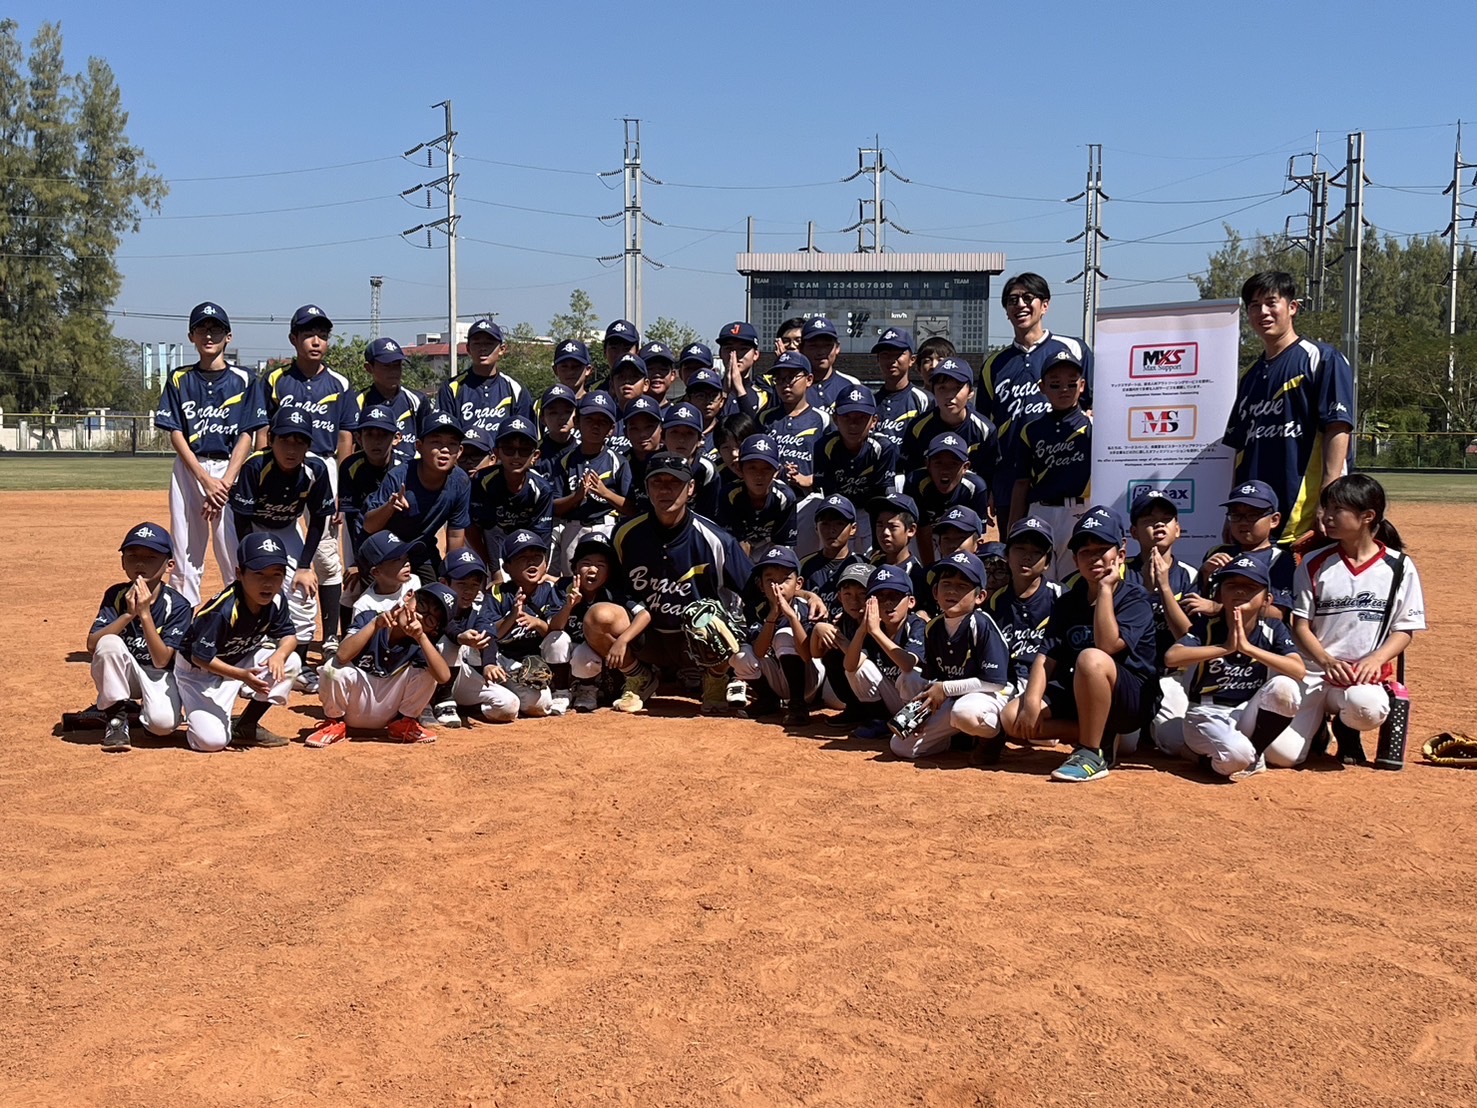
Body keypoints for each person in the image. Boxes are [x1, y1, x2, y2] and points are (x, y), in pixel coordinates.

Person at [1000, 507, 1157, 783]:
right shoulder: (1068, 602)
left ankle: (1091, 752)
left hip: (1130, 700)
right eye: (1085, 552)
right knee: (1013, 717)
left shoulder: (1135, 598)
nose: (1094, 558)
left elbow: (1107, 647)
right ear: (1075, 559)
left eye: (1101, 550)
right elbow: (1045, 656)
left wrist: (1106, 589)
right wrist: (1032, 701)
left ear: (1120, 555)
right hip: (1083, 693)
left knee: (1091, 658)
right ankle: (1099, 735)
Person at [1284, 474, 1425, 766]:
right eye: (1326, 509)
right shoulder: (1313, 562)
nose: (1327, 517)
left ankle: (1347, 729)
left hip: (1361, 677)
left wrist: (1376, 659)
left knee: (1367, 707)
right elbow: (1300, 626)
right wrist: (1325, 661)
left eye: (1337, 509)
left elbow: (1404, 628)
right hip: (1314, 671)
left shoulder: (1399, 566)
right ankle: (1318, 731)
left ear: (1367, 516)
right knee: (1283, 755)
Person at [603, 452, 753, 715]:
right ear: (646, 488)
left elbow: (753, 590)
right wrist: (636, 613)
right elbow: (613, 588)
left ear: (691, 488)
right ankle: (639, 677)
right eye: (657, 482)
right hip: (648, 638)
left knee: (717, 620)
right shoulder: (625, 533)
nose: (665, 490)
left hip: (697, 644)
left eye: (674, 483)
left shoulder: (716, 539)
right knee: (599, 617)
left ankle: (715, 679)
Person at [1226, 271, 1354, 546]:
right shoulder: (1249, 376)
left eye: (1272, 303)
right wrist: (1233, 514)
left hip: (1305, 516)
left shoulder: (1321, 359)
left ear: (1292, 307)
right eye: (1254, 306)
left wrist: (1329, 499)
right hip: (1257, 520)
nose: (1263, 312)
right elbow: (1239, 450)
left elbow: (1338, 427)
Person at [153, 301, 267, 605]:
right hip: (191, 471)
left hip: (232, 471)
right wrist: (204, 479)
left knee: (233, 551)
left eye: (216, 328)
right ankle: (181, 622)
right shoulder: (180, 379)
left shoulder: (245, 380)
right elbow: (176, 433)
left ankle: (240, 620)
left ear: (228, 336)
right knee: (186, 551)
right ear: (191, 336)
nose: (208, 334)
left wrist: (225, 482)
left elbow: (249, 432)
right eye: (201, 328)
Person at [261, 304, 357, 654]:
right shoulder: (275, 380)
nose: (316, 341)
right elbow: (263, 430)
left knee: (326, 554)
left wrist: (342, 489)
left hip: (324, 465)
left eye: (322, 335)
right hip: (282, 465)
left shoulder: (340, 384)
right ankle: (278, 629)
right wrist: (262, 467)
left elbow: (346, 437)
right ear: (294, 339)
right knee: (277, 548)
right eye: (308, 335)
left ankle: (329, 635)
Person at [1164, 554, 1306, 780]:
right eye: (1232, 585)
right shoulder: (1209, 626)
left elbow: (1298, 670)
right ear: (1220, 594)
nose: (1240, 591)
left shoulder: (1273, 627)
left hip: (1248, 711)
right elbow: (1172, 657)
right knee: (1235, 757)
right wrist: (1225, 648)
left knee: (1285, 687)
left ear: (1267, 599)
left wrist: (1248, 648)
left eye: (1250, 587)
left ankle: (1255, 754)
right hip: (1206, 713)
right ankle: (1201, 757)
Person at [229, 407, 336, 690]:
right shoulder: (255, 466)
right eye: (285, 440)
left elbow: (318, 521)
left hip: (288, 528)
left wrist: (303, 566)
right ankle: (243, 666)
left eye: (299, 441)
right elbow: (241, 519)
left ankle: (297, 666)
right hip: (250, 528)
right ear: (271, 439)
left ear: (308, 445)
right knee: (248, 591)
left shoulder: (315, 470)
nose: (292, 448)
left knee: (303, 593)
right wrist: (249, 561)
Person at [978, 273, 1095, 520]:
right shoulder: (994, 365)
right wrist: (988, 485)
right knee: (1017, 552)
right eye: (1012, 300)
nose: (1020, 304)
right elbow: (985, 431)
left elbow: (1096, 407)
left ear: (1045, 305)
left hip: (1066, 479)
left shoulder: (1073, 349)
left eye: (1028, 297)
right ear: (1006, 311)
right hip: (1010, 481)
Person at [175, 533, 304, 752]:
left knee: (291, 661)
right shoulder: (224, 610)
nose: (268, 582)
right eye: (258, 573)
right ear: (239, 574)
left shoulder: (277, 598)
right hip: (198, 673)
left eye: (276, 574)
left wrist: (279, 655)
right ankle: (180, 702)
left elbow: (289, 636)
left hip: (238, 662)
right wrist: (241, 676)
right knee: (212, 742)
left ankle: (246, 725)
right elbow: (200, 657)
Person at [891, 552, 1011, 760]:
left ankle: (993, 736)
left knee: (965, 713)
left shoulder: (981, 624)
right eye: (946, 584)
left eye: (962, 586)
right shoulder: (933, 627)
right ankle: (953, 738)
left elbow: (996, 683)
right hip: (954, 695)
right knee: (901, 746)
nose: (952, 591)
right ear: (935, 591)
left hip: (991, 696)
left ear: (980, 596)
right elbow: (934, 677)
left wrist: (945, 688)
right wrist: (923, 713)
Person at [86, 523, 192, 752]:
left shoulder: (178, 605)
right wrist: (128, 614)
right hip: (125, 671)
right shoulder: (115, 595)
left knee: (162, 725)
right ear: (123, 562)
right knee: (108, 644)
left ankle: (135, 710)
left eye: (151, 557)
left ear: (169, 565)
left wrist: (144, 615)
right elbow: (93, 645)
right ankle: (117, 717)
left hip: (159, 675)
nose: (140, 564)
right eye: (132, 556)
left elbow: (162, 660)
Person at [305, 586, 454, 748]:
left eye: (430, 619)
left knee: (428, 672)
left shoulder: (421, 643)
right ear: (408, 596)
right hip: (352, 706)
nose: (419, 616)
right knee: (332, 668)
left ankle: (404, 724)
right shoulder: (370, 617)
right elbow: (342, 655)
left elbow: (443, 677)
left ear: (433, 631)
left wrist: (421, 638)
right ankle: (334, 723)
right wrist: (375, 624)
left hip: (388, 712)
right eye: (422, 606)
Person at [1122, 489, 1198, 756]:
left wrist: (1164, 589)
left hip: (1174, 677)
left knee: (1176, 740)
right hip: (1132, 674)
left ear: (1178, 529)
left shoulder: (1190, 575)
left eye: (1166, 519)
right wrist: (1143, 590)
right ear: (1133, 532)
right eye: (1147, 520)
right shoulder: (1120, 574)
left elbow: (1188, 639)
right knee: (1124, 745)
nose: (1157, 524)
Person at [363, 410, 472, 581]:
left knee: (437, 595)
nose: (444, 450)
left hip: (421, 550)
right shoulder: (399, 477)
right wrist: (389, 507)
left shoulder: (461, 481)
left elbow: (455, 534)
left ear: (459, 451)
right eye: (436, 442)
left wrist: (452, 575)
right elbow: (369, 526)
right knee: (380, 597)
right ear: (419, 446)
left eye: (452, 444)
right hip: (385, 550)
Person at [1009, 350, 1092, 574]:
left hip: (1078, 509)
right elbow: (1021, 483)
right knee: (1039, 580)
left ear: (1082, 385)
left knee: (1073, 580)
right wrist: (1013, 528)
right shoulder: (1032, 430)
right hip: (1040, 511)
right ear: (1042, 387)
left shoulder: (1092, 427)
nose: (1064, 389)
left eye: (1071, 383)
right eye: (1055, 384)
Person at [554, 534, 649, 713]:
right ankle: (565, 688)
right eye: (586, 563)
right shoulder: (562, 588)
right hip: (571, 656)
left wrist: (622, 641)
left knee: (597, 618)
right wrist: (569, 606)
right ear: (574, 568)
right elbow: (554, 628)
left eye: (600, 565)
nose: (593, 569)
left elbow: (644, 615)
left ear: (609, 571)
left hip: (601, 656)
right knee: (559, 642)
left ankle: (635, 675)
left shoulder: (614, 592)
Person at [430, 548, 519, 727]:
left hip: (458, 676)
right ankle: (441, 701)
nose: (469, 591)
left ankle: (464, 706)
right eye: (462, 584)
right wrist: (459, 637)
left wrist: (489, 663)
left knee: (509, 706)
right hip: (426, 680)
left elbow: (488, 632)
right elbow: (448, 625)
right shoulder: (431, 603)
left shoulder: (478, 607)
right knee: (449, 644)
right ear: (444, 583)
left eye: (474, 584)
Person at [732, 545, 821, 725]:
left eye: (785, 580)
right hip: (779, 678)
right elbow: (758, 652)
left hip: (809, 680)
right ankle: (768, 700)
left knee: (784, 636)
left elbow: (806, 654)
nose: (777, 586)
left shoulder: (805, 607)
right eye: (770, 580)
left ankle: (798, 705)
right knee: (740, 655)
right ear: (761, 585)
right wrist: (772, 618)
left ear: (798, 584)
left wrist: (790, 616)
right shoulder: (757, 609)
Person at [842, 564, 929, 741]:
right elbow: (850, 666)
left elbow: (907, 664)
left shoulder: (916, 625)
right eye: (880, 597)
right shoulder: (874, 628)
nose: (888, 602)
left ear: (911, 601)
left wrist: (876, 632)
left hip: (920, 702)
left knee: (911, 675)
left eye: (895, 596)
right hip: (894, 698)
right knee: (860, 668)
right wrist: (862, 630)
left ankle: (914, 725)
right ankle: (879, 721)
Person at [485, 530, 567, 717]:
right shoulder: (497, 593)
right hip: (502, 660)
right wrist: (512, 615)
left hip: (532, 664)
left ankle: (560, 688)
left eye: (537, 557)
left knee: (541, 706)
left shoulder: (549, 590)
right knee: (516, 706)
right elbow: (490, 635)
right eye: (522, 557)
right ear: (507, 567)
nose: (532, 562)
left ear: (546, 564)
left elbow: (554, 630)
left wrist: (538, 623)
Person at [1188, 480, 1295, 621]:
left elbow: (1278, 613)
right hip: (1210, 637)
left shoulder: (1279, 559)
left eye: (1253, 515)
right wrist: (1205, 574)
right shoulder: (1216, 552)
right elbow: (1195, 601)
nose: (1243, 522)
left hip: (1256, 640)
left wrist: (1219, 608)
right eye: (1236, 515)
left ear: (1274, 520)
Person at [758, 351, 831, 556]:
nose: (785, 384)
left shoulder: (823, 419)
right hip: (771, 501)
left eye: (791, 377)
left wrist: (812, 479)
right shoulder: (765, 418)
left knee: (803, 560)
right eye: (779, 379)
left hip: (808, 501)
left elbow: (834, 464)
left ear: (808, 380)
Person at [338, 404, 401, 631]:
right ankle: (345, 636)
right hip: (358, 530)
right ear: (358, 437)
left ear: (396, 438)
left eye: (383, 434)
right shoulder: (350, 466)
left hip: (397, 531)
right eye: (369, 434)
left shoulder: (404, 465)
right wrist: (357, 562)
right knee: (353, 585)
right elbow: (353, 519)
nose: (376, 441)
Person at [552, 390, 629, 573]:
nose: (595, 426)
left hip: (607, 526)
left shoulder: (618, 461)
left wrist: (606, 493)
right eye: (589, 420)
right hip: (573, 527)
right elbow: (554, 507)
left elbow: (631, 508)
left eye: (602, 422)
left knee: (608, 580)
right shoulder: (565, 461)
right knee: (572, 581)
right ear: (577, 422)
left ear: (611, 429)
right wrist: (576, 497)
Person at [469, 415, 554, 577]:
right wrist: (494, 570)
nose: (516, 456)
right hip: (487, 543)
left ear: (535, 456)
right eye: (508, 449)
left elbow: (542, 535)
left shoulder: (542, 489)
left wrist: (539, 571)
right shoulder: (482, 481)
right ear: (497, 453)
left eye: (524, 450)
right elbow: (481, 529)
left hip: (526, 545)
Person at [811, 385, 896, 548]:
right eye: (847, 417)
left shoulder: (883, 448)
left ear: (874, 421)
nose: (853, 424)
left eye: (861, 417)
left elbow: (881, 497)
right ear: (835, 419)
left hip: (869, 509)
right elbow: (828, 495)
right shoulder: (825, 446)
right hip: (839, 510)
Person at [899, 357, 998, 481]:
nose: (949, 396)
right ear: (933, 391)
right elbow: (910, 472)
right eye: (942, 388)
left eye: (957, 388)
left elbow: (990, 476)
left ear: (970, 393)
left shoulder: (985, 430)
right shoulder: (917, 428)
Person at [435, 318, 533, 441]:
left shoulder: (515, 388)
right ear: (468, 349)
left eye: (489, 343)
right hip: (466, 458)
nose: (482, 348)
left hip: (502, 459)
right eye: (477, 343)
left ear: (502, 349)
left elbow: (525, 435)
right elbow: (445, 433)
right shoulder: (451, 387)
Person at [914, 433, 993, 563]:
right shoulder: (917, 483)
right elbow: (922, 530)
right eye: (938, 463)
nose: (945, 470)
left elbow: (976, 536)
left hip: (958, 535)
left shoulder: (976, 487)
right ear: (927, 464)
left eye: (953, 464)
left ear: (965, 467)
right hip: (926, 532)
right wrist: (929, 569)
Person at [718, 434, 799, 553]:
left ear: (776, 472)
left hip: (770, 546)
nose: (759, 475)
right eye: (752, 468)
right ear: (740, 469)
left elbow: (782, 545)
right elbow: (734, 542)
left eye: (766, 468)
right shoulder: (730, 494)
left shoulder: (785, 497)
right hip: (737, 550)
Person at [356, 337, 425, 466]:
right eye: (386, 366)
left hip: (410, 473)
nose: (393, 371)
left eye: (397, 365)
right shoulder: (358, 401)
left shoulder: (417, 400)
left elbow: (426, 440)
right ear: (369, 368)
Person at [871, 327, 932, 453]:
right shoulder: (870, 401)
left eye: (898, 354)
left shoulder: (924, 400)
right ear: (878, 360)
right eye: (885, 355)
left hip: (910, 470)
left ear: (912, 360)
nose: (891, 360)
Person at [869, 492, 932, 604]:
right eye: (880, 525)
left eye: (893, 527)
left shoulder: (917, 575)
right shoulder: (873, 565)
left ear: (911, 530)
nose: (885, 532)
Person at [796, 317, 862, 410]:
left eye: (827, 345)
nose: (821, 352)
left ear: (837, 348)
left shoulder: (851, 385)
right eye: (813, 346)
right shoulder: (793, 386)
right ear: (801, 349)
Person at [641, 341, 679, 408]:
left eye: (663, 369)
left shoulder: (678, 413)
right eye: (650, 369)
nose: (657, 374)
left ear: (673, 375)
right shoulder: (628, 412)